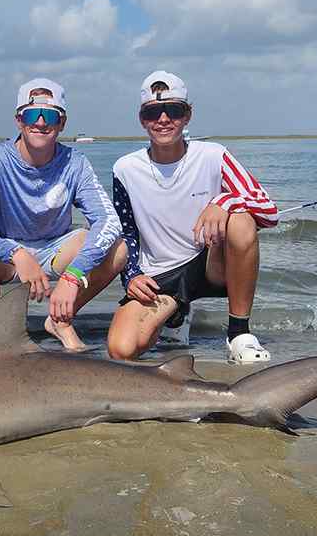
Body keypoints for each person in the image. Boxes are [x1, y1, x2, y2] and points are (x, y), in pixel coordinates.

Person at [108, 71, 278, 364]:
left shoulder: (213, 155)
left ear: (187, 115)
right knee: (122, 349)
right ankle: (176, 313)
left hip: (211, 262)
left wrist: (223, 202)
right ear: (142, 119)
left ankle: (239, 333)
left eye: (174, 110)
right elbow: (127, 231)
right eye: (152, 112)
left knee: (241, 220)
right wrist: (131, 275)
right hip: (162, 274)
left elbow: (268, 210)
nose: (163, 119)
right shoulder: (124, 169)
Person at [0, 77, 126, 350]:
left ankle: (60, 319)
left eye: (50, 116)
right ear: (19, 120)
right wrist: (16, 253)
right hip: (8, 258)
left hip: (56, 252)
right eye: (32, 114)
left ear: (62, 123)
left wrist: (73, 276)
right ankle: (5, 328)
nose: (41, 122)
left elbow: (108, 221)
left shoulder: (75, 163)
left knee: (118, 250)